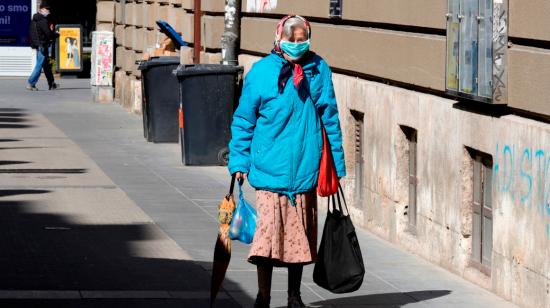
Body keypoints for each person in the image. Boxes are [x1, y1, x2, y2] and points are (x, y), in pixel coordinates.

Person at [228, 15, 346, 308]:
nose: (296, 44)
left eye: (301, 39)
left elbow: (330, 118)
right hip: (269, 170)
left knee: (300, 240)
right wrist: (239, 162)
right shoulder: (262, 72)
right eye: (291, 39)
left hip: (306, 169)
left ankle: (295, 296)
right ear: (278, 37)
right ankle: (263, 296)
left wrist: (337, 167)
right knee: (267, 241)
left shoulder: (318, 69)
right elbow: (244, 121)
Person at [27, 2, 58, 91]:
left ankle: (51, 83)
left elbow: (32, 33)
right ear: (41, 9)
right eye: (46, 9)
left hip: (39, 45)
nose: (48, 11)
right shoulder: (43, 20)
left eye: (48, 9)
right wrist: (56, 34)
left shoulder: (34, 20)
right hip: (43, 45)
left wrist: (34, 44)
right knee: (39, 65)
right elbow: (48, 34)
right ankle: (31, 83)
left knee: (46, 65)